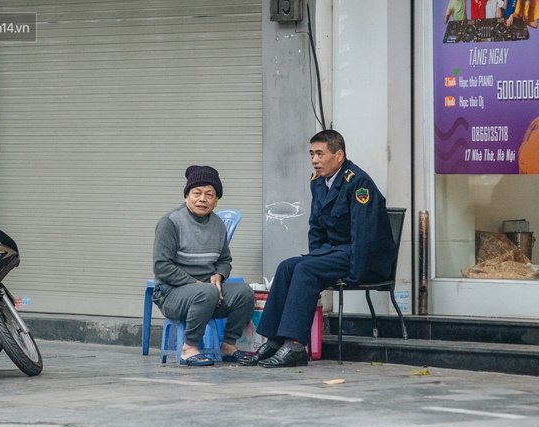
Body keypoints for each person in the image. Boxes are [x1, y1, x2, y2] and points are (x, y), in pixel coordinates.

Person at [240, 130, 397, 368]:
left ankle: (295, 346)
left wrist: (356, 274)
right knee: (287, 267)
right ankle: (274, 341)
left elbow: (364, 235)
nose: (314, 160)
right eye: (312, 154)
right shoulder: (318, 181)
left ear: (339, 155)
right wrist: (314, 256)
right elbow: (316, 225)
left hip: (364, 258)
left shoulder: (358, 183)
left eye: (320, 154)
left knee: (306, 270)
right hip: (334, 252)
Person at [152, 165, 254, 366]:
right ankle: (189, 348)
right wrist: (197, 283)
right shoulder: (170, 222)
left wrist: (219, 275)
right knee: (207, 292)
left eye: (209, 195)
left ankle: (228, 345)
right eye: (196, 193)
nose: (202, 199)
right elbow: (161, 266)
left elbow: (224, 260)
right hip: (171, 293)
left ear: (216, 201)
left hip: (209, 293)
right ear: (186, 196)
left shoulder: (218, 225)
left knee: (245, 292)